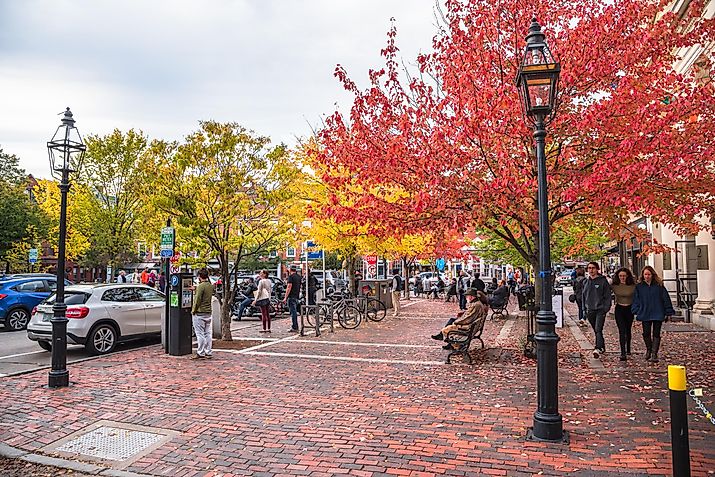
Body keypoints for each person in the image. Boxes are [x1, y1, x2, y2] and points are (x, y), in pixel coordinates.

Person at [631, 266, 674, 363]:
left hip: (657, 311)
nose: (647, 276)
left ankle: (654, 353)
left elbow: (665, 298)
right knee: (646, 332)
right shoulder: (639, 287)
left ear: (652, 275)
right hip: (645, 312)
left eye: (649, 274)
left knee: (656, 333)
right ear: (643, 275)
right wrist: (636, 310)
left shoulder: (659, 286)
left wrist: (668, 311)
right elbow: (636, 300)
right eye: (645, 274)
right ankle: (649, 350)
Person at [582, 261, 612, 359]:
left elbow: (607, 296)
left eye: (593, 268)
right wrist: (584, 309)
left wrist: (605, 308)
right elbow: (583, 296)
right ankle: (602, 346)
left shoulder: (603, 281)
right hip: (590, 310)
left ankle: (598, 348)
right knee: (596, 330)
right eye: (589, 268)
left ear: (597, 269)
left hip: (600, 309)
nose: (591, 270)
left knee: (598, 328)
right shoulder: (586, 282)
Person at [611, 267, 636, 361]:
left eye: (624, 276)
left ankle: (628, 347)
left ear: (627, 276)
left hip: (629, 308)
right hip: (619, 309)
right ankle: (623, 352)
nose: (622, 278)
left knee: (628, 329)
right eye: (620, 276)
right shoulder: (614, 285)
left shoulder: (633, 285)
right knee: (622, 330)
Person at [191, 268, 214, 359]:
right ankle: (208, 351)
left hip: (200, 312)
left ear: (199, 276)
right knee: (207, 333)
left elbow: (197, 300)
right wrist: (196, 288)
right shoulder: (210, 285)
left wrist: (193, 310)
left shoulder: (200, 286)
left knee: (199, 333)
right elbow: (205, 290)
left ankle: (200, 352)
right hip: (208, 312)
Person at [283, 265, 301, 332]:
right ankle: (295, 326)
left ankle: (295, 327)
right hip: (296, 296)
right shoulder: (298, 277)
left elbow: (289, 287)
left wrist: (285, 297)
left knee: (293, 312)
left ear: (290, 269)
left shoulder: (291, 277)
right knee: (295, 311)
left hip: (291, 296)